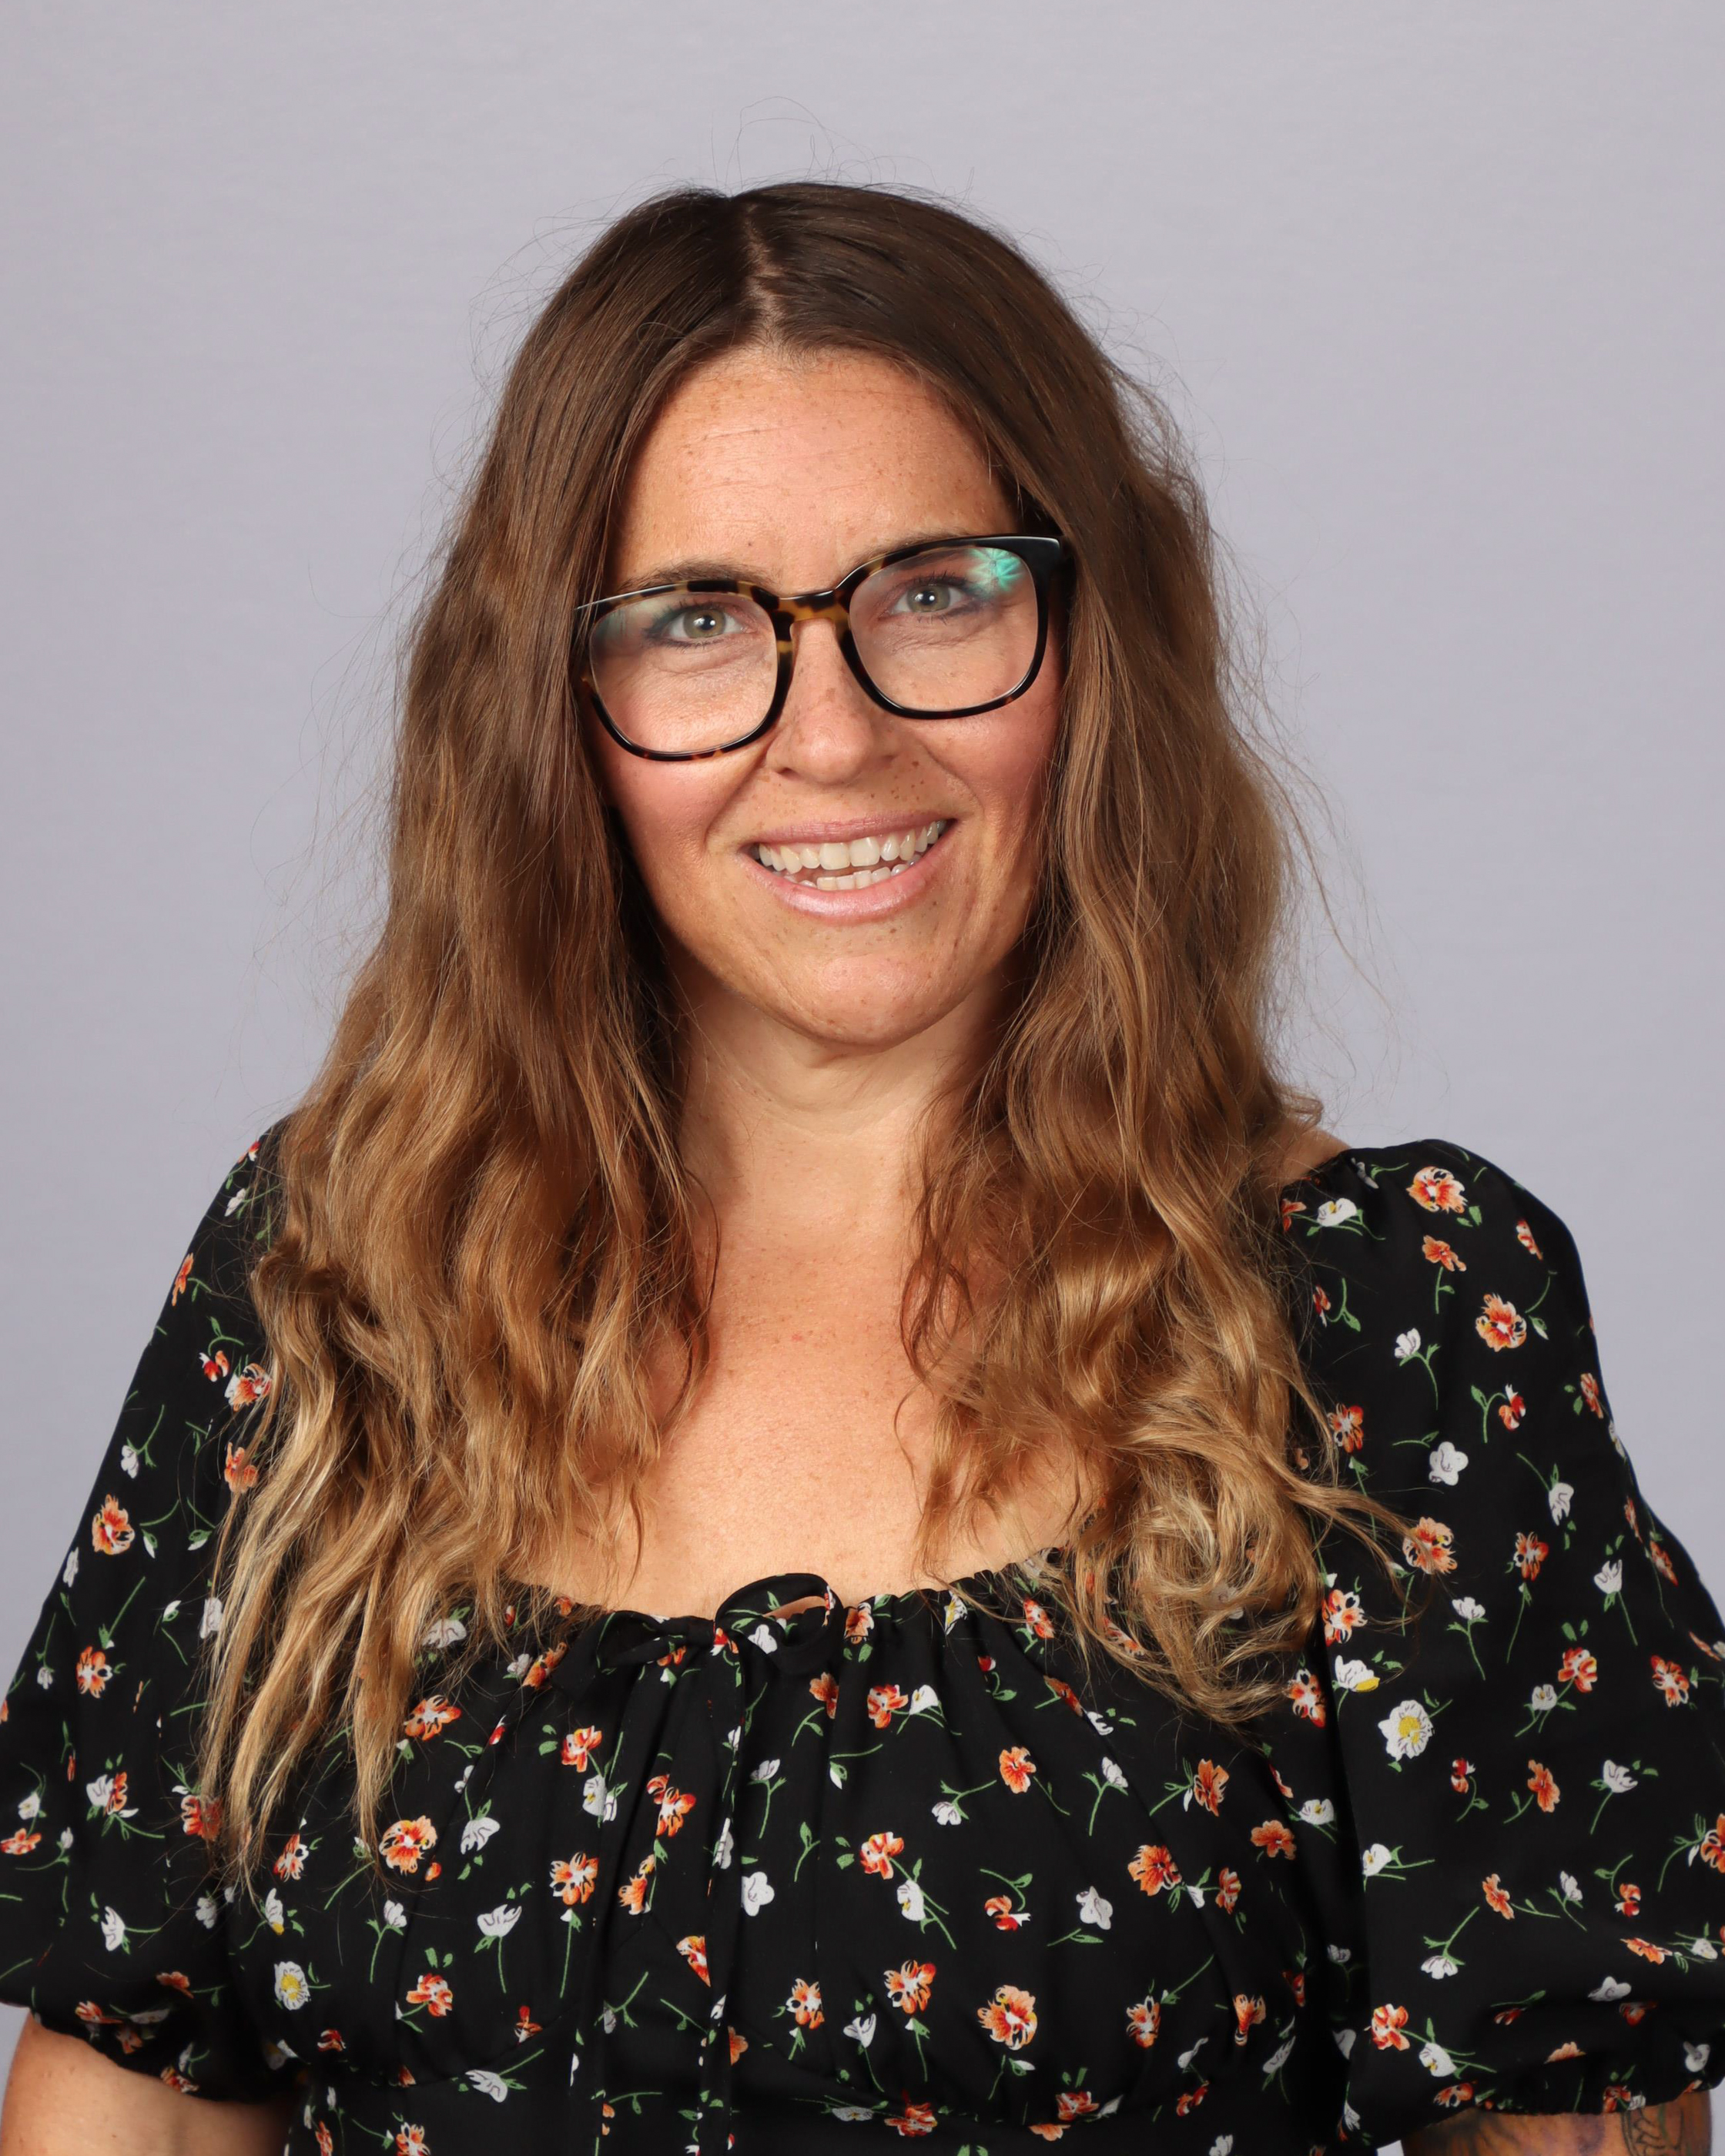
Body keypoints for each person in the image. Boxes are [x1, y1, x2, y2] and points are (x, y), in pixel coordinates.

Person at [1, 182, 1721, 2156]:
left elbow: (1575, 2124)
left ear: (1087, 634)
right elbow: (135, 2090)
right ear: (555, 704)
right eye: (695, 620)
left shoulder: (1392, 1320)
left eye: (935, 591)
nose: (831, 735)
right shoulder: (330, 1286)